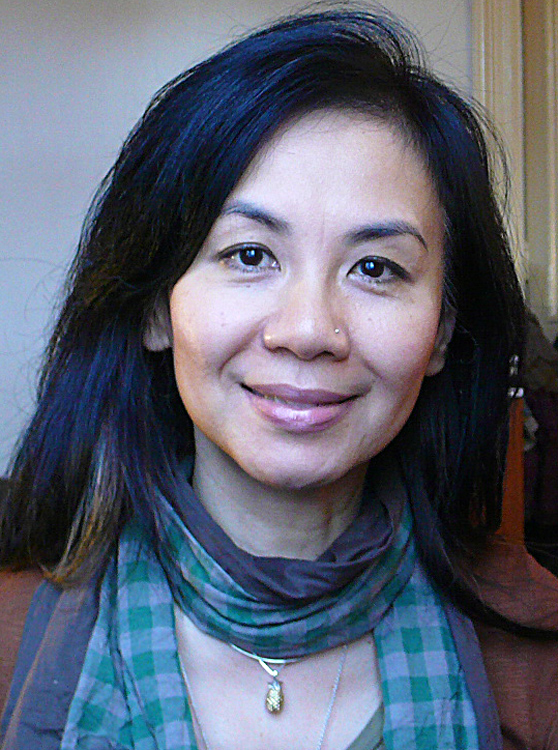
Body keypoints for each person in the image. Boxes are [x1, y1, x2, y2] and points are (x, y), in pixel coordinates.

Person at [1, 8, 558, 750]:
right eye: (250, 255)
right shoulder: (14, 638)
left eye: (375, 268)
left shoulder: (535, 646)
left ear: (442, 333)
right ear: (157, 308)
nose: (307, 331)